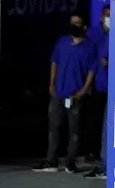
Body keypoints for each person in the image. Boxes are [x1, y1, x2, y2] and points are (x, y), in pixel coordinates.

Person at [33, 12, 97, 173]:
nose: (73, 26)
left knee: (74, 131)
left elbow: (91, 70)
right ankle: (51, 161)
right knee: (53, 127)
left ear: (84, 26)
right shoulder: (62, 42)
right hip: (58, 92)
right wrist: (51, 82)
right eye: (72, 22)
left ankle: (70, 162)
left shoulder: (90, 46)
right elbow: (55, 61)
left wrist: (83, 90)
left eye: (77, 23)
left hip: (75, 94)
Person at [85, 5, 110, 178]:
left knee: (107, 124)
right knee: (95, 121)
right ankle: (95, 154)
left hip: (111, 87)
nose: (109, 18)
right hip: (97, 85)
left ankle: (105, 161)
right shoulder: (94, 34)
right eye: (107, 15)